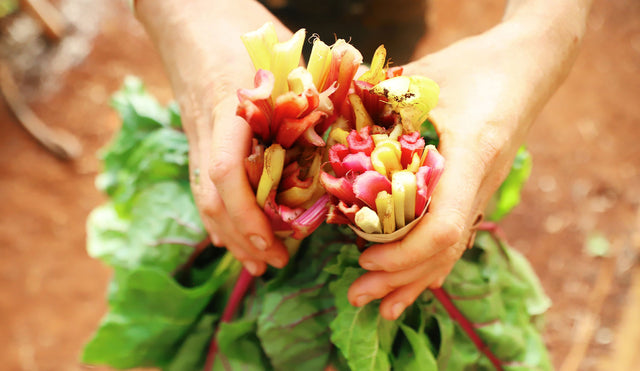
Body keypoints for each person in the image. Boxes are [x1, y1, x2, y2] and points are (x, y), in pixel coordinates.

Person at [133, 0, 592, 321]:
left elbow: (408, 97)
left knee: (395, 39)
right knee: (223, 154)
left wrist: (545, 34)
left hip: (386, 10)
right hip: (236, 25)